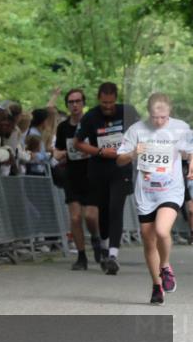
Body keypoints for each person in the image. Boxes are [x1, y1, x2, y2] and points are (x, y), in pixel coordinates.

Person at [116, 93, 191, 305]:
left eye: (163, 117)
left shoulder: (180, 127)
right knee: (148, 240)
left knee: (161, 230)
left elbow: (190, 150)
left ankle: (165, 266)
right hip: (146, 192)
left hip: (170, 189)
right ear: (149, 113)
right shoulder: (137, 130)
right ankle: (157, 286)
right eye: (155, 117)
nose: (159, 122)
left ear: (170, 113)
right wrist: (132, 153)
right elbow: (119, 160)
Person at [72, 82, 138, 275]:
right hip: (99, 170)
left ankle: (113, 256)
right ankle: (103, 245)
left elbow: (143, 134)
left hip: (121, 168)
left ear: (116, 99)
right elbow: (78, 143)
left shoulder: (128, 112)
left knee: (116, 207)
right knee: (103, 210)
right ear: (98, 100)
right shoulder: (91, 116)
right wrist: (100, 151)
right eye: (103, 103)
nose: (107, 106)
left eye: (110, 103)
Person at [53, 88, 100, 271]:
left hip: (92, 174)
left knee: (90, 216)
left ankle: (96, 239)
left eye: (78, 101)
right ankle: (81, 257)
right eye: (71, 102)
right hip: (72, 175)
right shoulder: (63, 127)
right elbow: (56, 151)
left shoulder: (93, 124)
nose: (75, 105)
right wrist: (61, 153)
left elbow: (101, 147)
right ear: (67, 105)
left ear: (83, 103)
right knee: (75, 217)